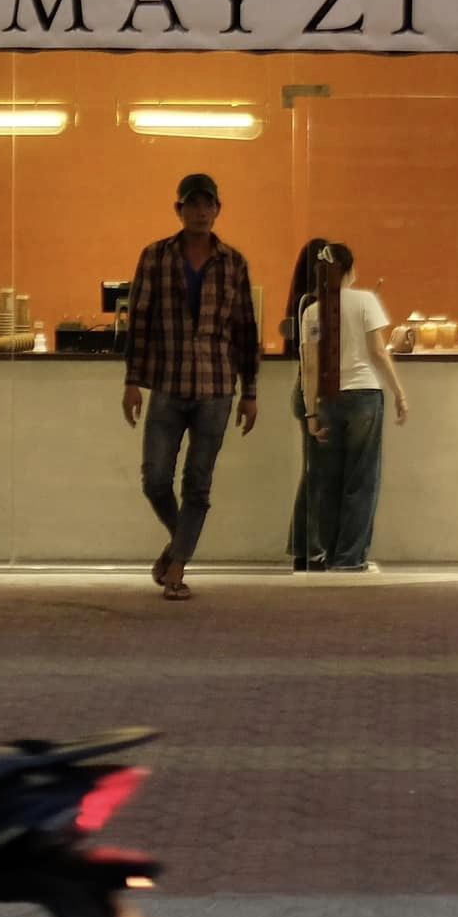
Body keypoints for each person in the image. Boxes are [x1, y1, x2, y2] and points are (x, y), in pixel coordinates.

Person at [122, 173, 260, 602]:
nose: (201, 212)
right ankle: (180, 541)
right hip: (168, 382)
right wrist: (132, 381)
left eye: (207, 204)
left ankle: (177, 568)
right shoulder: (155, 257)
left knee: (198, 483)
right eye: (192, 204)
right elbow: (139, 323)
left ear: (218, 209)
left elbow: (245, 330)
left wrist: (250, 391)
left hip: (216, 387)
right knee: (155, 479)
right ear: (178, 209)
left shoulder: (233, 263)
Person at [299, 243, 408, 572]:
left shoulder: (312, 311)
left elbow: (310, 367)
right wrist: (399, 393)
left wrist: (311, 412)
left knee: (328, 481)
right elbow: (378, 352)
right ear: (349, 269)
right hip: (364, 395)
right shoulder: (365, 301)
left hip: (328, 399)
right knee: (361, 480)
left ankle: (332, 555)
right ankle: (351, 558)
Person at [281, 238, 330, 569]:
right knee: (318, 475)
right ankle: (311, 548)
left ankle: (304, 547)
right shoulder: (314, 306)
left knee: (314, 473)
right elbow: (316, 358)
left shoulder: (301, 303)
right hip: (316, 394)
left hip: (305, 392)